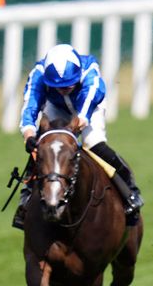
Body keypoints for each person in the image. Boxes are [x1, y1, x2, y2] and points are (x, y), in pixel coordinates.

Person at [13, 43, 144, 229]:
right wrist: (29, 134)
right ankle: (26, 199)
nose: (63, 89)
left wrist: (82, 118)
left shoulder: (89, 70)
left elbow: (91, 95)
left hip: (89, 106)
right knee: (45, 147)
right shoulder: (38, 74)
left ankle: (129, 190)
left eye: (68, 85)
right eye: (58, 87)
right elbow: (31, 105)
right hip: (56, 107)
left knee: (93, 144)